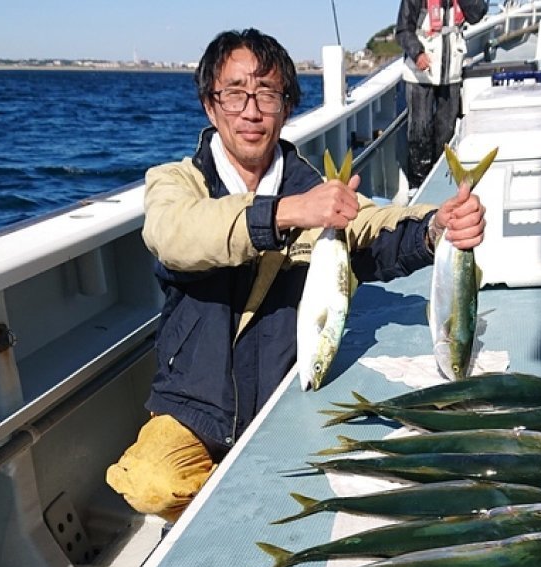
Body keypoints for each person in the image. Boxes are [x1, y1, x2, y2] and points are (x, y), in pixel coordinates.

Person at [105, 27, 486, 525]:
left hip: (288, 388)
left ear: (286, 107)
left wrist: (439, 226)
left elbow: (373, 229)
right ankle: (229, 511)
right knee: (150, 483)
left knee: (344, 479)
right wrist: (285, 213)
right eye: (235, 92)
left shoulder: (317, 191)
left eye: (267, 93)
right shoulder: (177, 182)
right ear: (210, 105)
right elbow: (173, 234)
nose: (251, 109)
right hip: (195, 403)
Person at [395, 0, 489, 192]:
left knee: (446, 129)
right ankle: (417, 185)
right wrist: (417, 53)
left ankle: (440, 179)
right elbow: (403, 30)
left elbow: (476, 14)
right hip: (421, 73)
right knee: (420, 130)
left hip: (451, 72)